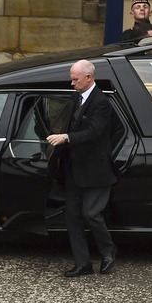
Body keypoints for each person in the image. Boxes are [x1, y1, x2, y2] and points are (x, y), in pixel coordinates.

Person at [46, 60, 118, 277]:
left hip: (95, 170)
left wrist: (66, 138)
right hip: (74, 170)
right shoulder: (76, 97)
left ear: (88, 77)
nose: (72, 83)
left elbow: (94, 132)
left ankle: (108, 251)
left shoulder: (101, 102)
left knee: (91, 213)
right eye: (72, 78)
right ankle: (82, 264)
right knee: (72, 217)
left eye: (75, 79)